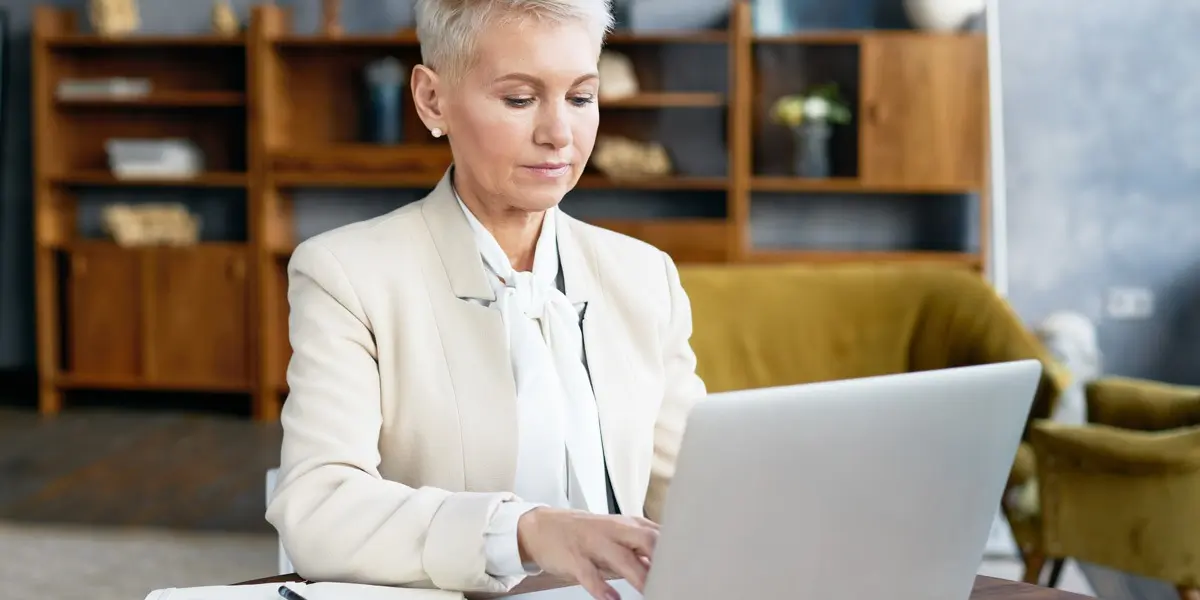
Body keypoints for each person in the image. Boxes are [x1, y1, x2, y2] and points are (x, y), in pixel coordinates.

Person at [264, 0, 708, 599]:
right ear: (431, 100)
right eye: (520, 99)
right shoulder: (347, 274)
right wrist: (524, 532)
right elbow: (318, 510)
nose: (559, 134)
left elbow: (695, 494)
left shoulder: (643, 275)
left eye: (581, 98)